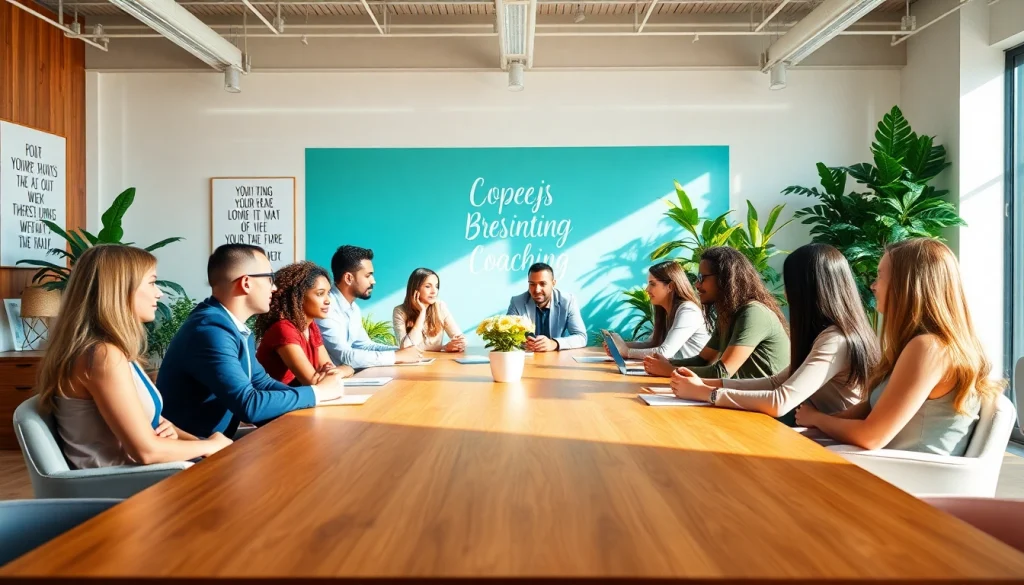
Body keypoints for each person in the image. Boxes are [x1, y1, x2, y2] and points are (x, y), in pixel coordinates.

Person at [795, 238, 1004, 456]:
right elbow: (866, 411)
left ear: (907, 285)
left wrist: (817, 418)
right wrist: (816, 424)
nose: (873, 285)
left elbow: (871, 436)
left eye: (881, 276)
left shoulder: (928, 348)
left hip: (907, 478)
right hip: (892, 467)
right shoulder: (923, 345)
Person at [36, 245, 231, 468]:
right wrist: (210, 445)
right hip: (129, 485)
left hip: (144, 476)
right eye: (151, 282)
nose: (159, 292)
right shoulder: (102, 355)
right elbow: (145, 452)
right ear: (119, 290)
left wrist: (199, 443)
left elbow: (154, 424)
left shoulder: (113, 351)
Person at [669, 244, 879, 420]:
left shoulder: (835, 340)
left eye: (789, 284)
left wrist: (707, 393)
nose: (786, 293)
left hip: (830, 443)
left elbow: (780, 401)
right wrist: (702, 384)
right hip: (815, 432)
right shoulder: (824, 334)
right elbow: (775, 382)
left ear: (805, 290)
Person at [159, 244, 345, 439]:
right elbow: (249, 405)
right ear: (246, 283)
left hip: (220, 444)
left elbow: (261, 382)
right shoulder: (211, 330)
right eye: (270, 278)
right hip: (195, 453)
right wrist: (318, 392)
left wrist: (315, 399)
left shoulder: (232, 325)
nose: (274, 288)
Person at [644, 247, 789, 379]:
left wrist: (670, 370)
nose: (697, 285)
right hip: (740, 399)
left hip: (762, 404)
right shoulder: (728, 314)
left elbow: (722, 372)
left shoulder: (753, 312)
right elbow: (703, 360)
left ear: (724, 278)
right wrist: (667, 363)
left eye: (702, 278)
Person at [317, 245, 422, 368]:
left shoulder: (354, 309)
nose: (373, 281)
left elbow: (366, 345)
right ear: (348, 278)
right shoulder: (325, 307)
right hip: (332, 381)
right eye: (368, 275)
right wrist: (397, 356)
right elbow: (345, 356)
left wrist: (404, 351)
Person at [255, 261, 355, 385]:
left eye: (328, 293)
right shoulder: (283, 329)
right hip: (276, 401)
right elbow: (313, 382)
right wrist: (343, 370)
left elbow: (330, 370)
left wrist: (344, 370)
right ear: (298, 297)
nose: (328, 301)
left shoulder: (311, 327)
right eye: (320, 294)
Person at [607, 260, 709, 360]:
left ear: (670, 286)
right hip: (674, 372)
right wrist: (619, 345)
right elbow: (651, 343)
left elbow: (665, 353)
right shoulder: (665, 311)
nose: (647, 289)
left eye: (652, 284)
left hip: (693, 375)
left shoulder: (688, 311)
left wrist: (626, 352)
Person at [506, 263, 587, 352]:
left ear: (553, 283)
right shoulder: (517, 302)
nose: (537, 290)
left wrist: (554, 343)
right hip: (527, 359)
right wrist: (523, 343)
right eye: (532, 284)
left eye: (542, 284)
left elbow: (581, 337)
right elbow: (506, 337)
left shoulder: (567, 301)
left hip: (556, 360)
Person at [392, 268, 465, 353]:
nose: (434, 291)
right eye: (428, 286)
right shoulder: (400, 311)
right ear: (415, 289)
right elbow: (406, 348)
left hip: (437, 363)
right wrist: (422, 312)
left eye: (436, 286)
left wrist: (452, 346)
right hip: (413, 363)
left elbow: (460, 338)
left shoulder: (440, 306)